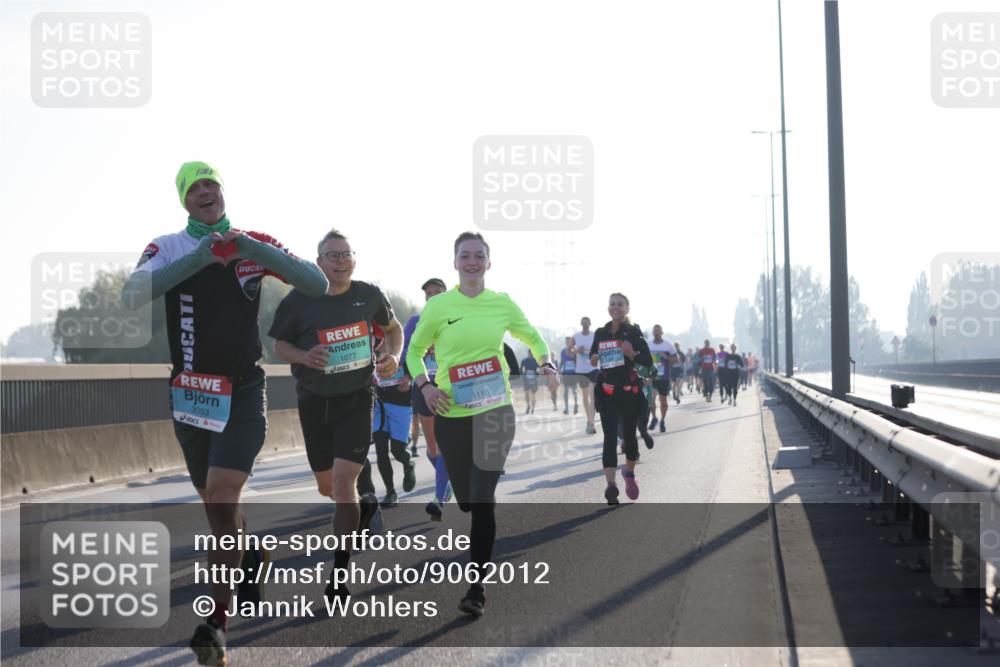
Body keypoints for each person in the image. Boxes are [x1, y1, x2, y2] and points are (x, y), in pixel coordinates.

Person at [121, 161, 329, 667]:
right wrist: (200, 257)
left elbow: (317, 282)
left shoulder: (251, 241)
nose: (205, 192)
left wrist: (249, 250)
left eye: (210, 183)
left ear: (222, 191)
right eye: (194, 188)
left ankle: (216, 624)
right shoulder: (167, 246)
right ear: (184, 201)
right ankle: (250, 552)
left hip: (242, 391)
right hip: (191, 393)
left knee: (220, 494)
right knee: (216, 509)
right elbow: (132, 296)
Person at [407, 231, 558, 617]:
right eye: (465, 255)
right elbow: (414, 352)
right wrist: (424, 385)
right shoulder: (439, 306)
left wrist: (545, 361)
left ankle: (477, 587)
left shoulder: (501, 304)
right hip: (452, 415)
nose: (472, 261)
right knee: (469, 500)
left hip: (495, 412)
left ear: (488, 263)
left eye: (479, 255)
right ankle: (470, 495)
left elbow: (531, 336)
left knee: (484, 500)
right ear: (455, 262)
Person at [268, 229, 403, 606]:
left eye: (346, 254)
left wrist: (392, 355)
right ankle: (366, 504)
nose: (341, 261)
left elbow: (394, 330)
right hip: (314, 401)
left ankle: (339, 577)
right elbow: (278, 344)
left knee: (343, 486)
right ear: (319, 262)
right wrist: (303, 356)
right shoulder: (300, 299)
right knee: (328, 488)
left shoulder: (369, 295)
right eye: (332, 255)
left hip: (357, 397)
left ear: (354, 259)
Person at [589, 293, 652, 504]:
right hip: (607, 391)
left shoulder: (633, 332)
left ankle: (629, 474)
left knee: (630, 436)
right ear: (608, 308)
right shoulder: (600, 332)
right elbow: (592, 356)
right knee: (608, 437)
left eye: (620, 304)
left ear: (627, 309)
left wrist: (631, 353)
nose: (615, 307)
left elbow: (648, 362)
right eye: (612, 304)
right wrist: (594, 358)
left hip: (628, 391)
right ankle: (611, 486)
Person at [401, 278, 453, 521]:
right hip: (423, 387)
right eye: (428, 293)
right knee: (431, 446)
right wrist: (403, 374)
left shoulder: (455, 320)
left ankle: (439, 498)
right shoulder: (415, 322)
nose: (432, 296)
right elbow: (406, 352)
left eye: (437, 292)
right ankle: (447, 481)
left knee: (443, 444)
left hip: (449, 388)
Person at [371, 323, 417, 507]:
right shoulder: (370, 351)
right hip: (379, 405)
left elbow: (417, 364)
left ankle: (408, 463)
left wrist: (408, 378)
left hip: (400, 405)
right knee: (381, 450)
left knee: (397, 451)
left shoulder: (403, 349)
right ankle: (391, 493)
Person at [646, 324, 677, 433]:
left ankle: (662, 420)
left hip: (664, 377)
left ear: (662, 332)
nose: (657, 332)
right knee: (651, 399)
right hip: (652, 377)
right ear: (652, 333)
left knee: (663, 402)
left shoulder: (668, 345)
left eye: (659, 331)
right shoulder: (648, 345)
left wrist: (667, 357)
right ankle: (654, 418)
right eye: (655, 331)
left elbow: (676, 360)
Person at [573, 317, 598, 434]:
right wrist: (576, 350)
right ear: (581, 323)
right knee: (584, 397)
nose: (585, 323)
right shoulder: (576, 336)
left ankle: (591, 423)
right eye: (583, 321)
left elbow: (600, 348)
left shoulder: (594, 335)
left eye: (587, 321)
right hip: (581, 370)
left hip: (593, 368)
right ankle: (589, 420)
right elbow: (569, 350)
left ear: (590, 323)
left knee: (592, 395)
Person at [559, 336, 579, 415]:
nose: (567, 343)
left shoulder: (575, 351)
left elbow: (577, 361)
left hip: (573, 373)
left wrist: (572, 356)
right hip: (566, 373)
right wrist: (559, 369)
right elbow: (562, 361)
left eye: (569, 341)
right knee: (566, 391)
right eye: (566, 342)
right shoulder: (563, 351)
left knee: (574, 391)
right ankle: (566, 408)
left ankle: (576, 404)